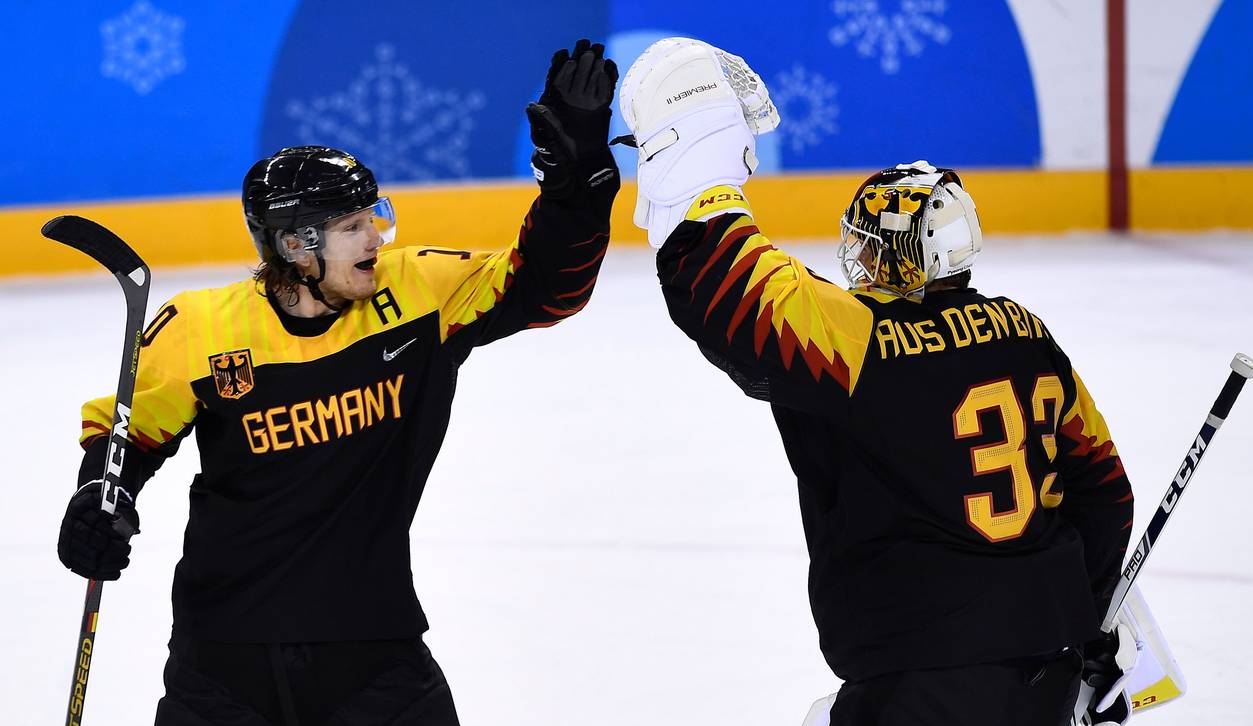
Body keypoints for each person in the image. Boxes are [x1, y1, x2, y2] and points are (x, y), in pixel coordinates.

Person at [56, 39, 620, 726]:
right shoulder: (200, 328)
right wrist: (99, 496)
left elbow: (549, 287)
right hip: (222, 663)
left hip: (372, 654)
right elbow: (127, 435)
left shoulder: (419, 295)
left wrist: (577, 175)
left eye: (374, 217)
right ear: (296, 246)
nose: (376, 238)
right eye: (353, 226)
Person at [617, 38, 1136, 726]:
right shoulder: (1028, 334)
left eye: (866, 244)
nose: (856, 258)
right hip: (1045, 671)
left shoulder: (864, 341)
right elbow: (1104, 490)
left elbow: (726, 289)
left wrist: (700, 161)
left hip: (921, 679)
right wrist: (1084, 622)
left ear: (898, 255)